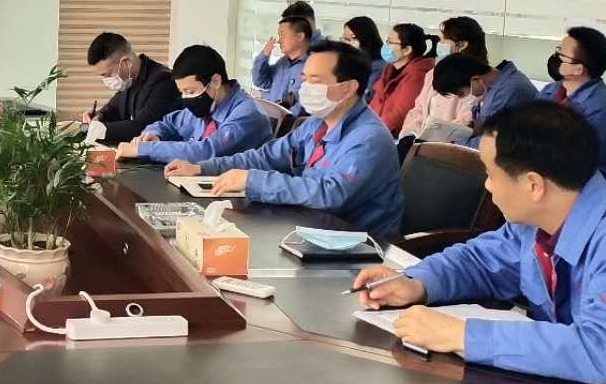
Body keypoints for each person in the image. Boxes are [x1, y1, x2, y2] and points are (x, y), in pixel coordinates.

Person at [354, 101, 606, 384]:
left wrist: (463, 336)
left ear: (533, 185)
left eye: (491, 174)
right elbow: (481, 261)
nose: (487, 186)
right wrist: (417, 283)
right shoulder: (542, 218)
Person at [165, 41, 404, 239]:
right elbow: (267, 156)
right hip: (308, 228)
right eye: (304, 79)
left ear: (349, 88)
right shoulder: (316, 122)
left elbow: (329, 194)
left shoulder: (369, 140)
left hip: (357, 246)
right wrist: (203, 168)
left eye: (315, 80)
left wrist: (253, 181)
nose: (305, 87)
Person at [115, 45, 271, 165]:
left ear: (215, 81)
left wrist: (142, 149)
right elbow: (170, 123)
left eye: (190, 91)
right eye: (182, 92)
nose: (186, 98)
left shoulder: (247, 114)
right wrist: (155, 134)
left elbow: (205, 151)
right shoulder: (209, 104)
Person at [539, 26, 606, 175]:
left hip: (577, 183)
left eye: (560, 54)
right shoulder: (551, 90)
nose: (554, 58)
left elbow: (574, 164)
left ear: (578, 69)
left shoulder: (601, 110)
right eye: (556, 50)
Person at [398, 17, 488, 144]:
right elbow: (418, 109)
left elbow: (466, 122)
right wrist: (410, 134)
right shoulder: (433, 73)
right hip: (420, 143)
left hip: (446, 147)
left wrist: (429, 137)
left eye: (443, 40)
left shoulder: (474, 80)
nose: (439, 43)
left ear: (462, 45)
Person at [82, 32, 182, 144]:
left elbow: (142, 127)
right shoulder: (128, 81)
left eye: (108, 74)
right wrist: (98, 117)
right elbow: (111, 110)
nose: (106, 80)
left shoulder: (163, 81)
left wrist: (101, 129)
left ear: (126, 62)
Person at [429, 53, 541, 150]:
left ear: (476, 80)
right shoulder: (499, 83)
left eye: (461, 94)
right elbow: (481, 126)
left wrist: (453, 143)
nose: (462, 98)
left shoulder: (508, 93)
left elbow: (490, 142)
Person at [369, 22, 437, 137]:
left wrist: (371, 131)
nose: (385, 46)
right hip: (376, 129)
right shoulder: (389, 69)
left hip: (390, 136)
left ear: (407, 50)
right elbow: (375, 102)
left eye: (390, 42)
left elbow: (399, 115)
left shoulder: (417, 76)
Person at [251, 16, 312, 108]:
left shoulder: (312, 67)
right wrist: (264, 55)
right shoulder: (282, 63)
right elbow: (261, 81)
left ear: (300, 37)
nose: (279, 41)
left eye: (282, 34)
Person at [341, 15, 386, 101]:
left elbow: (366, 95)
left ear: (366, 38)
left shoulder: (378, 65)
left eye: (353, 38)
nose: (347, 43)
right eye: (345, 38)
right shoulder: (352, 59)